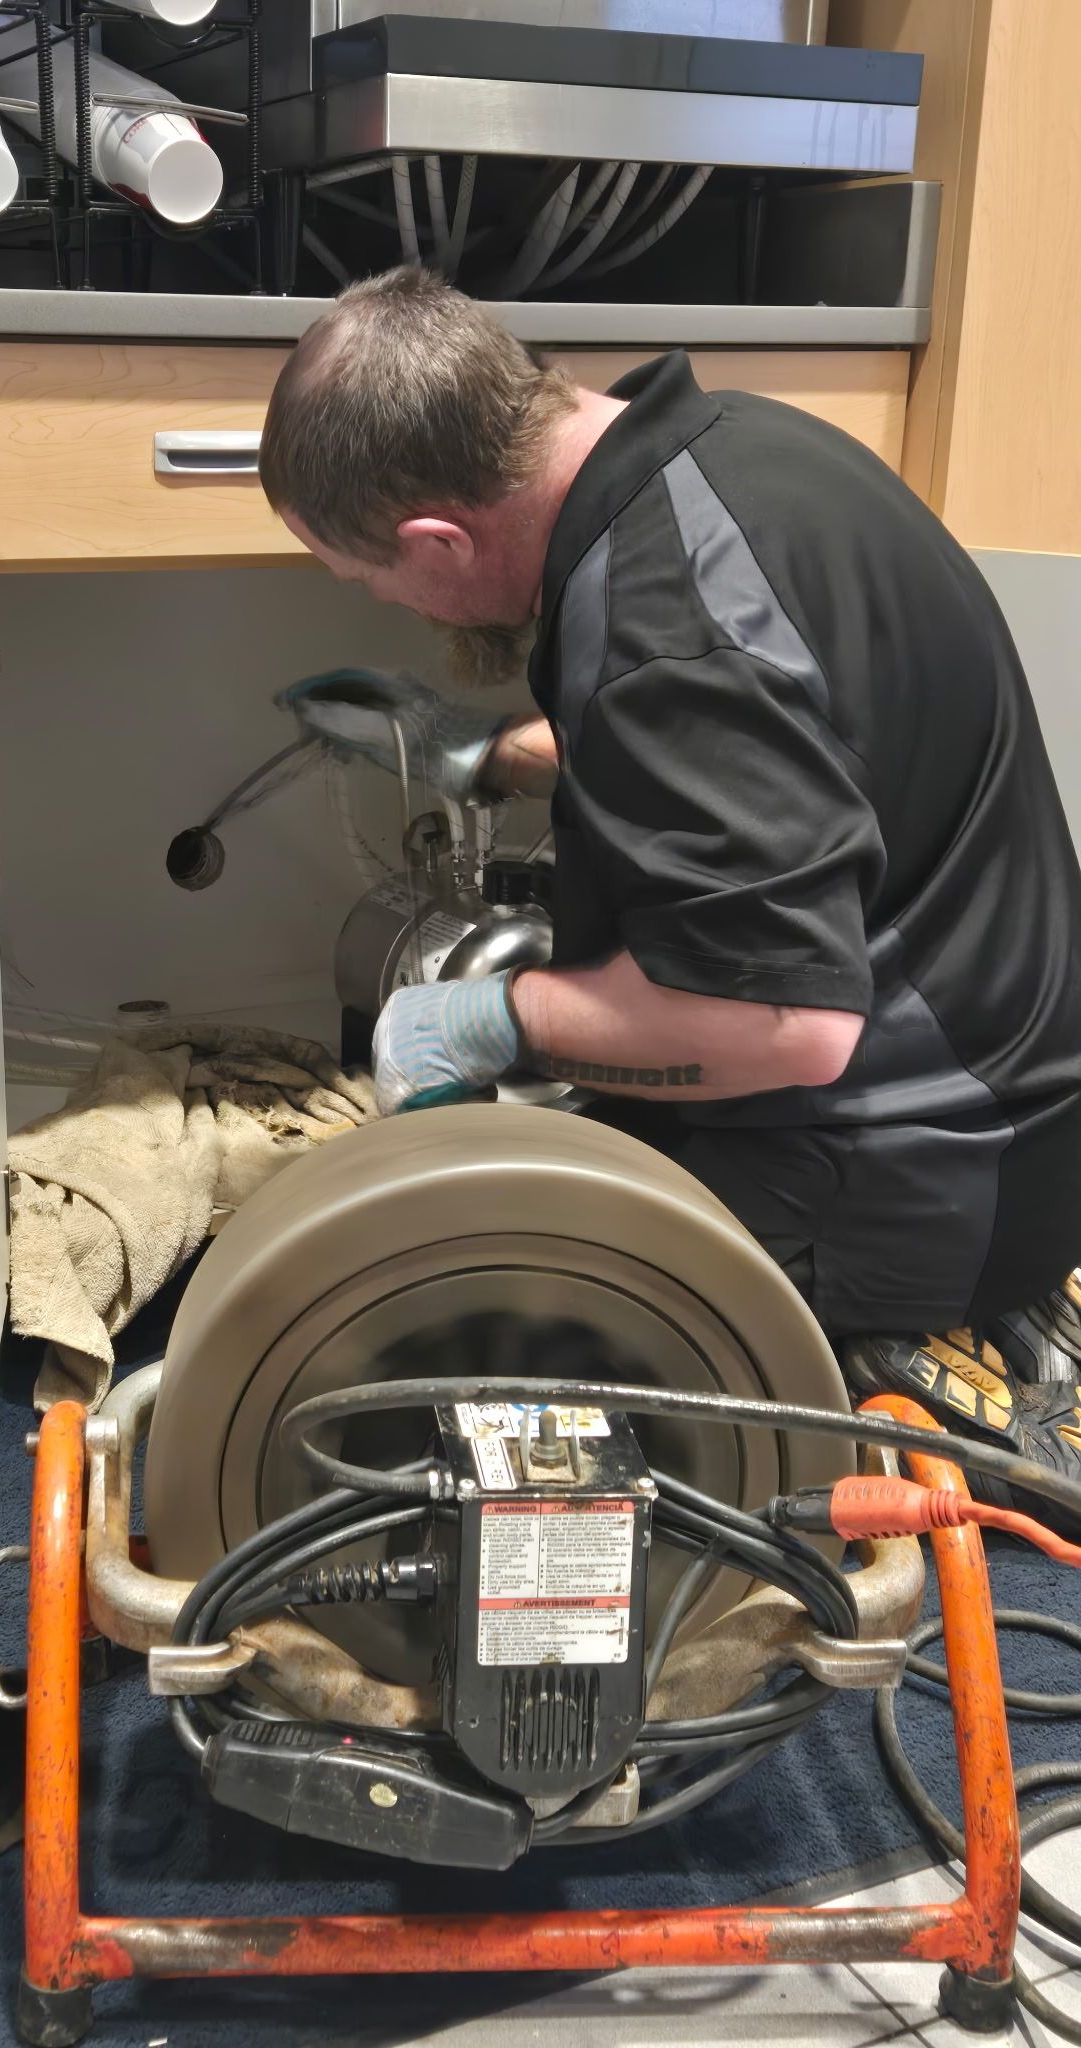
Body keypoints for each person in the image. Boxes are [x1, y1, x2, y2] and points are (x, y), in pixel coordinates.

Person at [262, 265, 1081, 1488]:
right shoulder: (733, 450)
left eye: (372, 577)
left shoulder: (663, 634)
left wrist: (493, 1015)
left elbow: (783, 1026)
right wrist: (489, 750)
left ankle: (896, 1340)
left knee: (458, 1329)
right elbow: (777, 753)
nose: (387, 598)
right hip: (1015, 1090)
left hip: (916, 1161)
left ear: (438, 539)